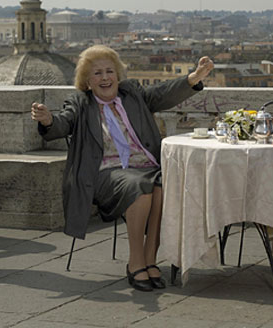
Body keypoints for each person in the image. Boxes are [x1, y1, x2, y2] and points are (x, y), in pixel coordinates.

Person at [31, 45, 214, 291]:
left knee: (163, 184)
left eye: (109, 71)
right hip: (105, 173)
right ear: (87, 80)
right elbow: (62, 124)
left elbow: (162, 93)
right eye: (97, 73)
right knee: (140, 186)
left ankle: (150, 259)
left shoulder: (132, 94)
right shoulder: (80, 103)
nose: (105, 77)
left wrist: (194, 78)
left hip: (146, 166)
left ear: (118, 74)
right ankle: (135, 261)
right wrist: (48, 120)